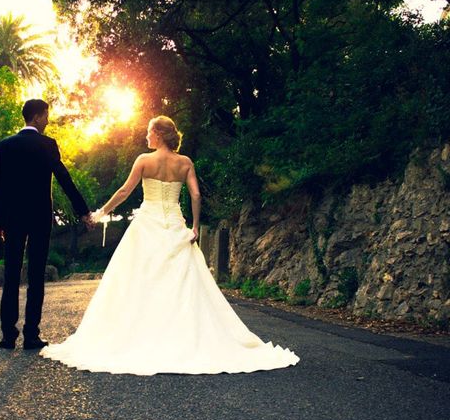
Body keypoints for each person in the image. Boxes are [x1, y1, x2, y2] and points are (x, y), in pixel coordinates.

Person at [40, 116, 300, 374]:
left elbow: (124, 191)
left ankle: (140, 333)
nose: (146, 137)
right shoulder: (185, 162)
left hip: (148, 224)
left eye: (149, 132)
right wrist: (195, 227)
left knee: (138, 279)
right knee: (181, 281)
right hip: (175, 225)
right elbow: (196, 194)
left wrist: (100, 213)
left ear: (159, 134)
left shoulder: (144, 160)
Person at [0, 99, 94, 350]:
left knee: (11, 274)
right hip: (39, 218)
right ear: (37, 117)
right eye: (46, 116)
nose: (48, 121)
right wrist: (82, 210)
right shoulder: (47, 145)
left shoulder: (5, 146)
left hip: (13, 219)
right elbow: (64, 178)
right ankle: (31, 335)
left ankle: (8, 336)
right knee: (36, 275)